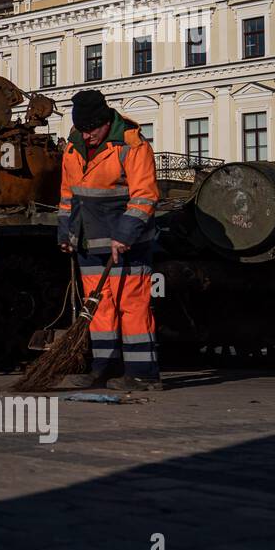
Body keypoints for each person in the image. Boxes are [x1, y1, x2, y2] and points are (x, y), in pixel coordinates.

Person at [56, 90, 162, 391]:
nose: (88, 135)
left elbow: (145, 195)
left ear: (106, 123)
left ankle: (143, 374)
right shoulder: (73, 148)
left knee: (133, 306)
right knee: (99, 307)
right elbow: (68, 196)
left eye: (93, 129)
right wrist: (65, 233)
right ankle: (103, 369)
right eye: (83, 128)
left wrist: (124, 234)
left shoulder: (131, 144)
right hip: (89, 244)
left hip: (127, 244)